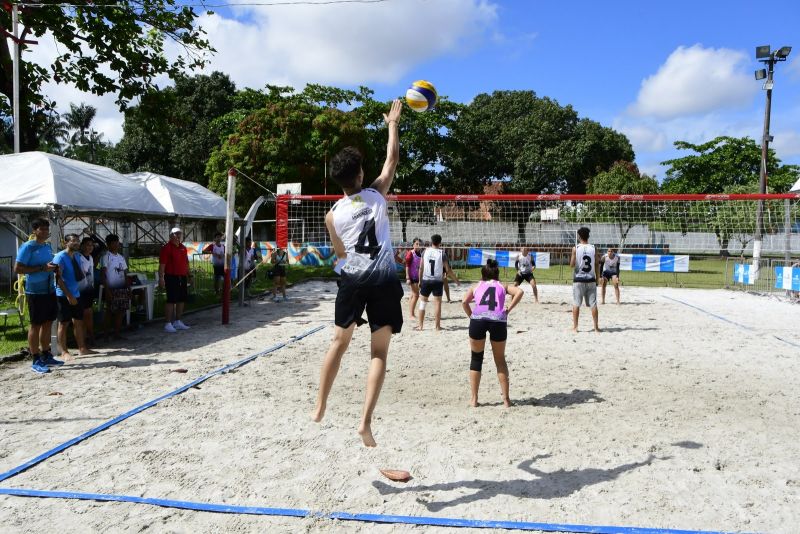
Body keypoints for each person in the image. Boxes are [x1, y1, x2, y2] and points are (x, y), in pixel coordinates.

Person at [311, 99, 403, 448]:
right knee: (378, 354)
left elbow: (339, 254)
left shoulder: (332, 215)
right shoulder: (376, 194)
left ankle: (320, 405)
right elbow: (391, 159)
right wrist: (392, 124)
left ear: (338, 182)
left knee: (339, 342)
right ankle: (364, 423)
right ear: (361, 176)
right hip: (383, 279)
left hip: (353, 276)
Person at [461, 259, 523, 407]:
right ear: (497, 274)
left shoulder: (477, 285)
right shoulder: (502, 285)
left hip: (478, 320)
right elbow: (520, 292)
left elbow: (464, 301)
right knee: (500, 360)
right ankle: (506, 400)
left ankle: (474, 399)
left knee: (476, 359)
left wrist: (472, 316)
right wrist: (508, 309)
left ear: (483, 274)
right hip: (498, 320)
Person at [14, 218, 60, 373]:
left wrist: (53, 269)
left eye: (47, 229)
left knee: (48, 322)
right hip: (35, 290)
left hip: (49, 289)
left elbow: (47, 265)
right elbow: (18, 268)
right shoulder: (28, 247)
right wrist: (41, 268)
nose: (45, 232)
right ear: (34, 231)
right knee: (36, 324)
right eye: (42, 229)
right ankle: (35, 358)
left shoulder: (47, 246)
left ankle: (46, 354)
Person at [52, 233, 93, 359]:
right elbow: (58, 279)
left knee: (78, 322)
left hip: (76, 293)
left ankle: (82, 348)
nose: (76, 243)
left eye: (77, 241)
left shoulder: (75, 256)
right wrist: (69, 295)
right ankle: (64, 352)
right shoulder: (60, 257)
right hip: (63, 295)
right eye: (73, 241)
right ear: (66, 243)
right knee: (63, 323)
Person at [416, 233, 459, 331]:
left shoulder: (424, 252)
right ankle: (437, 326)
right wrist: (456, 280)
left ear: (431, 242)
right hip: (437, 281)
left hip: (426, 280)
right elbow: (448, 270)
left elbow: (421, 268)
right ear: (440, 242)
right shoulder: (442, 253)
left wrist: (420, 280)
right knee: (437, 304)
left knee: (422, 303)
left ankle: (420, 326)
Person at [159, 227, 192, 333]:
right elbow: (162, 265)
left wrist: (189, 275)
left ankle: (177, 321)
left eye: (179, 234)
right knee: (171, 300)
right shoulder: (167, 248)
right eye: (175, 234)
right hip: (171, 276)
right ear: (170, 236)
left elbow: (186, 263)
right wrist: (161, 278)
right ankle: (167, 323)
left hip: (182, 276)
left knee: (181, 299)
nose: (178, 236)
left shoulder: (183, 247)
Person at [99, 234, 131, 340]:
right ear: (108, 244)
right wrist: (107, 290)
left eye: (117, 242)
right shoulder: (105, 257)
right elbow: (103, 275)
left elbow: (125, 273)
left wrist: (128, 287)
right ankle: (105, 334)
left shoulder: (121, 257)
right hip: (111, 288)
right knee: (109, 311)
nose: (116, 245)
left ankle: (117, 333)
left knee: (120, 311)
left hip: (122, 288)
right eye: (113, 243)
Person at [569, 227, 600, 333]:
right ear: (588, 236)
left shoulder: (576, 248)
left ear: (579, 236)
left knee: (576, 303)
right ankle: (596, 328)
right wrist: (597, 278)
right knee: (593, 304)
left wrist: (574, 259)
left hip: (579, 279)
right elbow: (597, 264)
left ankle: (575, 327)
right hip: (591, 279)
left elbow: (572, 265)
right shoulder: (594, 248)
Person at [77, 237, 97, 345]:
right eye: (87, 245)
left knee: (89, 313)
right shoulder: (78, 257)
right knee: (83, 314)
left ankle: (90, 334)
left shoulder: (90, 257)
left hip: (89, 288)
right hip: (80, 290)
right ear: (82, 246)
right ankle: (84, 338)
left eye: (91, 245)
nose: (90, 247)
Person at [404, 238, 423, 319]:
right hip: (412, 277)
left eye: (420, 244)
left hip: (417, 277)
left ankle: (411, 312)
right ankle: (411, 314)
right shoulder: (410, 253)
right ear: (413, 244)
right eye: (417, 244)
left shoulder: (420, 253)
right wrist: (407, 277)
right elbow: (407, 266)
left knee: (413, 295)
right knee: (416, 295)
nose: (418, 245)